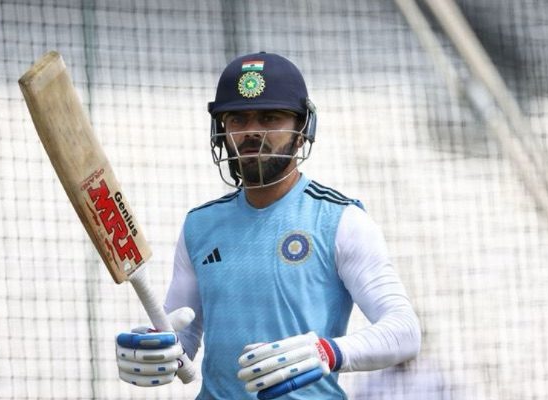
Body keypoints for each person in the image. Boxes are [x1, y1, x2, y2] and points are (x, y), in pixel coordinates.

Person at [115, 51, 422, 399]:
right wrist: (156, 351)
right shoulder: (199, 226)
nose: (252, 132)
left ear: (302, 129)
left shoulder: (341, 220)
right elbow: (182, 341)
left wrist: (329, 351)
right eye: (237, 120)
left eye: (270, 117)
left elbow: (405, 330)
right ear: (221, 130)